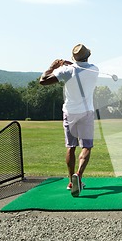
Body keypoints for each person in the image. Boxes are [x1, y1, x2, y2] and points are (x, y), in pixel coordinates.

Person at [39, 43, 99, 197]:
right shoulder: (94, 69)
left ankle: (71, 181)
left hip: (70, 113)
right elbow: (81, 68)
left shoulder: (66, 71)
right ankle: (78, 175)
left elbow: (43, 80)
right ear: (88, 56)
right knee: (86, 147)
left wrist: (53, 66)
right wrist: (72, 64)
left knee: (71, 146)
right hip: (86, 112)